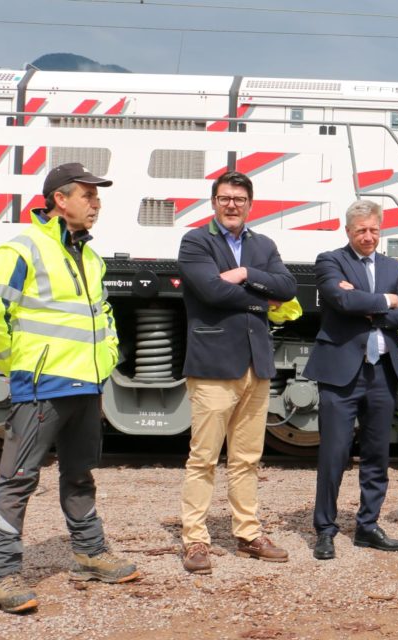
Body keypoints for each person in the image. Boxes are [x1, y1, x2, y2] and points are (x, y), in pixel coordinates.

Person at [0, 163, 140, 613]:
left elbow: (101, 315)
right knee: (19, 480)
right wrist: (14, 365)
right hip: (41, 386)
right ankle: (4, 574)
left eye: (97, 196)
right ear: (60, 199)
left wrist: (104, 361)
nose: (96, 203)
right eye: (88, 195)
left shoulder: (89, 256)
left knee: (80, 474)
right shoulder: (20, 249)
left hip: (84, 385)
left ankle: (89, 552)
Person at [177, 171, 296, 573]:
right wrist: (263, 298)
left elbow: (288, 286)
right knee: (204, 458)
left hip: (255, 364)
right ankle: (195, 539)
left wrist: (246, 275)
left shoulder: (263, 244)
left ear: (249, 204)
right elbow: (210, 291)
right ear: (214, 202)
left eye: (239, 199)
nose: (232, 205)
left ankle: (248, 533)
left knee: (247, 458)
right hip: (213, 364)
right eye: (225, 198)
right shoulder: (196, 241)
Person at [303, 200, 398, 560]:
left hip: (381, 373)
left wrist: (370, 305)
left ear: (380, 229)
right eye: (361, 230)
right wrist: (388, 301)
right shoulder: (330, 260)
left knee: (377, 455)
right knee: (334, 454)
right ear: (348, 232)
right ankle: (325, 529)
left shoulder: (394, 266)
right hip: (341, 374)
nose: (368, 236)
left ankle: (368, 526)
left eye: (374, 229)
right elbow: (339, 299)